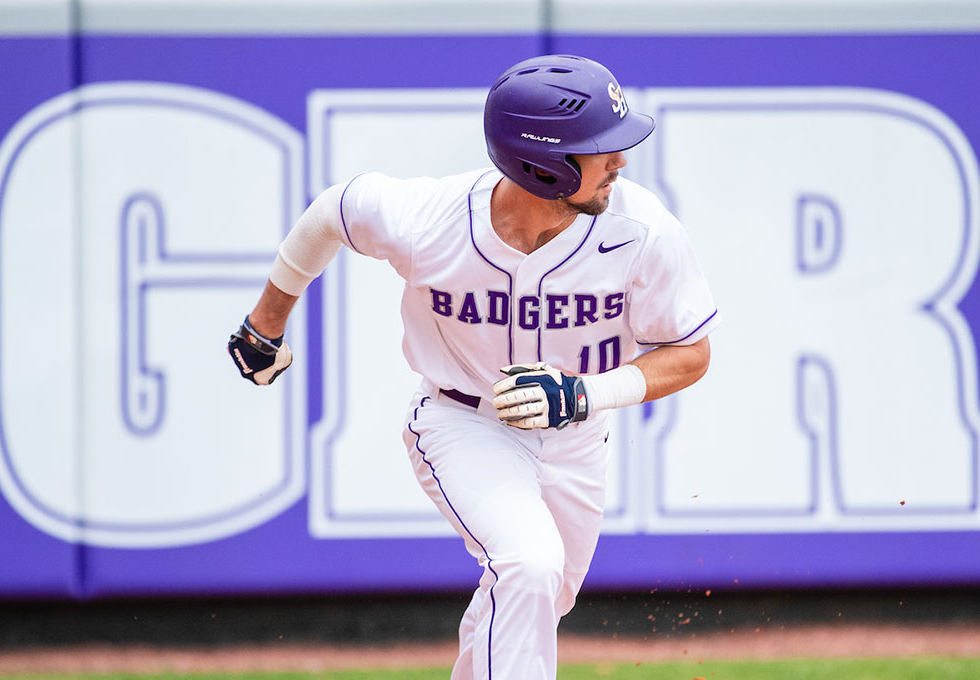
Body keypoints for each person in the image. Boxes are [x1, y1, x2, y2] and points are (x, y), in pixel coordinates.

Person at [228, 54, 721, 680]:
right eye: (600, 148)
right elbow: (332, 212)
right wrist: (265, 323)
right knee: (527, 563)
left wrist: (585, 395)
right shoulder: (429, 218)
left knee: (543, 594)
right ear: (542, 162)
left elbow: (692, 353)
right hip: (463, 421)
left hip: (576, 437)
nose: (619, 162)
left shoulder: (641, 228)